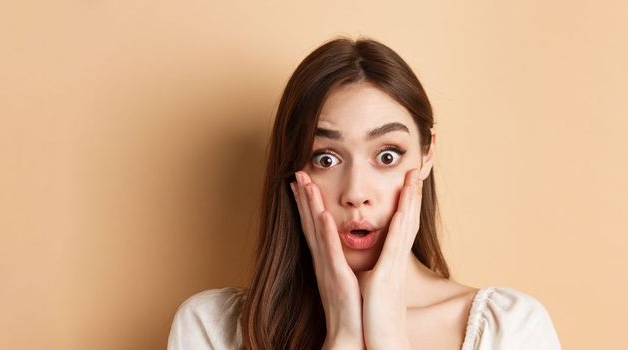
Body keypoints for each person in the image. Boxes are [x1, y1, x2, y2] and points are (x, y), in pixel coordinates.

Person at [167, 36, 562, 349]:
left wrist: (389, 337)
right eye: (325, 159)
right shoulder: (213, 328)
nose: (356, 193)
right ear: (293, 169)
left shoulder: (510, 329)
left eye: (387, 155)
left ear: (427, 155)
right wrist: (342, 336)